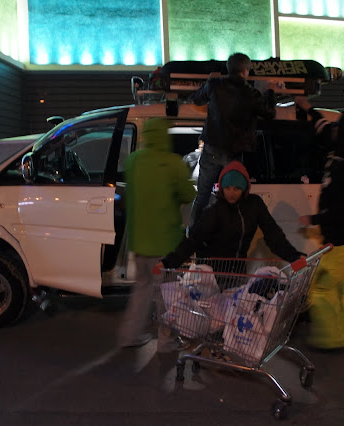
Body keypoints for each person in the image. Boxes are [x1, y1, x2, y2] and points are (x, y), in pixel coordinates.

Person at [117, 118, 196, 351]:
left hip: (140, 242)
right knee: (166, 296)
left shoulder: (133, 161)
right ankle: (166, 341)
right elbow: (188, 194)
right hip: (165, 244)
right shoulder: (173, 163)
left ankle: (129, 336)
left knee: (141, 289)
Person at [295, 96, 344, 350]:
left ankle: (330, 339)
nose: (333, 130)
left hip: (339, 239)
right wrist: (309, 110)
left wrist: (314, 219)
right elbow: (325, 130)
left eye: (338, 127)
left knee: (321, 288)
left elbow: (340, 209)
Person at [161, 161, 305, 270]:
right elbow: (194, 239)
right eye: (227, 188)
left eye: (236, 188)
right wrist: (168, 262)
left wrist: (294, 257)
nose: (231, 193)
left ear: (244, 188)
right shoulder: (216, 209)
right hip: (213, 271)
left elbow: (273, 234)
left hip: (237, 271)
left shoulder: (254, 205)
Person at [189, 52, 277, 227]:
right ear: (245, 71)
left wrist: (209, 80)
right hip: (234, 152)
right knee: (233, 197)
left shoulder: (215, 85)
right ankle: (230, 231)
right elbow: (270, 113)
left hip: (212, 148)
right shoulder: (251, 94)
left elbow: (197, 99)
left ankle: (193, 231)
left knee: (202, 196)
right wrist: (269, 91)